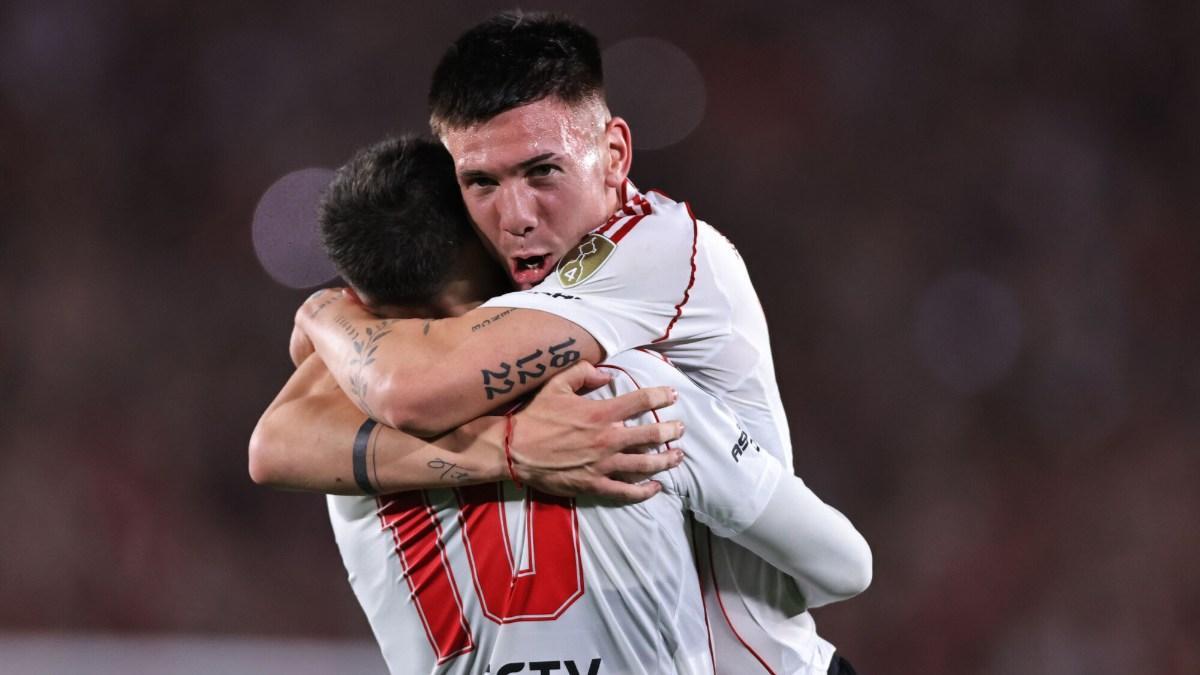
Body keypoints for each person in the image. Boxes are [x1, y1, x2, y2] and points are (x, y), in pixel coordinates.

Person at [290, 12, 866, 674]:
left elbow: (405, 392)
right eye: (481, 182)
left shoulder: (655, 256)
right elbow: (274, 442)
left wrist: (325, 313)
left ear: (615, 154)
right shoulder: (512, 318)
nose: (517, 216)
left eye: (543, 171)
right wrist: (509, 450)